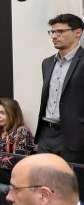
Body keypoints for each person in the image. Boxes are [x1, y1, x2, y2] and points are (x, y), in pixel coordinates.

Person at [35, 13, 84, 163]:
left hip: (73, 134)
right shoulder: (47, 63)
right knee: (42, 178)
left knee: (70, 182)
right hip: (46, 132)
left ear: (78, 32)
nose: (54, 36)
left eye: (60, 31)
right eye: (52, 32)